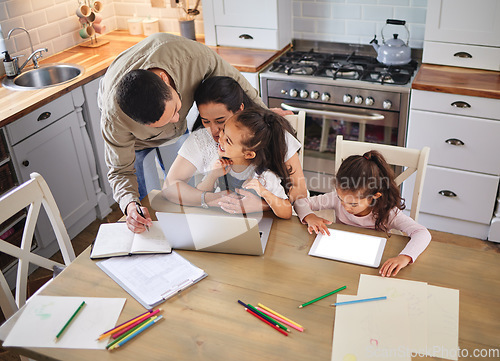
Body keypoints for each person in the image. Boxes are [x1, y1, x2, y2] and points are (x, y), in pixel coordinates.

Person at [98, 33, 266, 233]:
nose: (177, 120)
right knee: (146, 210)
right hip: (139, 143)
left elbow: (236, 82)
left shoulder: (192, 57)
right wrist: (130, 205)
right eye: (163, 122)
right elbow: (120, 170)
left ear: (164, 80)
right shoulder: (115, 120)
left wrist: (265, 116)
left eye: (176, 109)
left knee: (181, 193)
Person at [163, 76, 307, 213]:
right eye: (205, 121)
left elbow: (298, 190)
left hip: (277, 217)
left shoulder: (271, 134)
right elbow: (169, 187)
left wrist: (261, 205)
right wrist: (212, 199)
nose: (214, 131)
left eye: (220, 121)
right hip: (227, 216)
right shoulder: (201, 138)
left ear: (239, 110)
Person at [293, 150, 431, 277]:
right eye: (341, 199)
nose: (345, 207)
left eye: (353, 204)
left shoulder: (387, 212)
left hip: (372, 267)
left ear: (375, 196)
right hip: (340, 259)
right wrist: (309, 216)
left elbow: (422, 232)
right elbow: (300, 202)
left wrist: (404, 257)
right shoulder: (335, 198)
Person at [196, 107, 293, 219]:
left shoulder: (264, 176)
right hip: (225, 222)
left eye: (228, 141)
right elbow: (199, 195)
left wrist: (264, 192)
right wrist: (212, 176)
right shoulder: (219, 163)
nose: (220, 139)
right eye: (223, 131)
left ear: (248, 154)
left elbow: (287, 212)